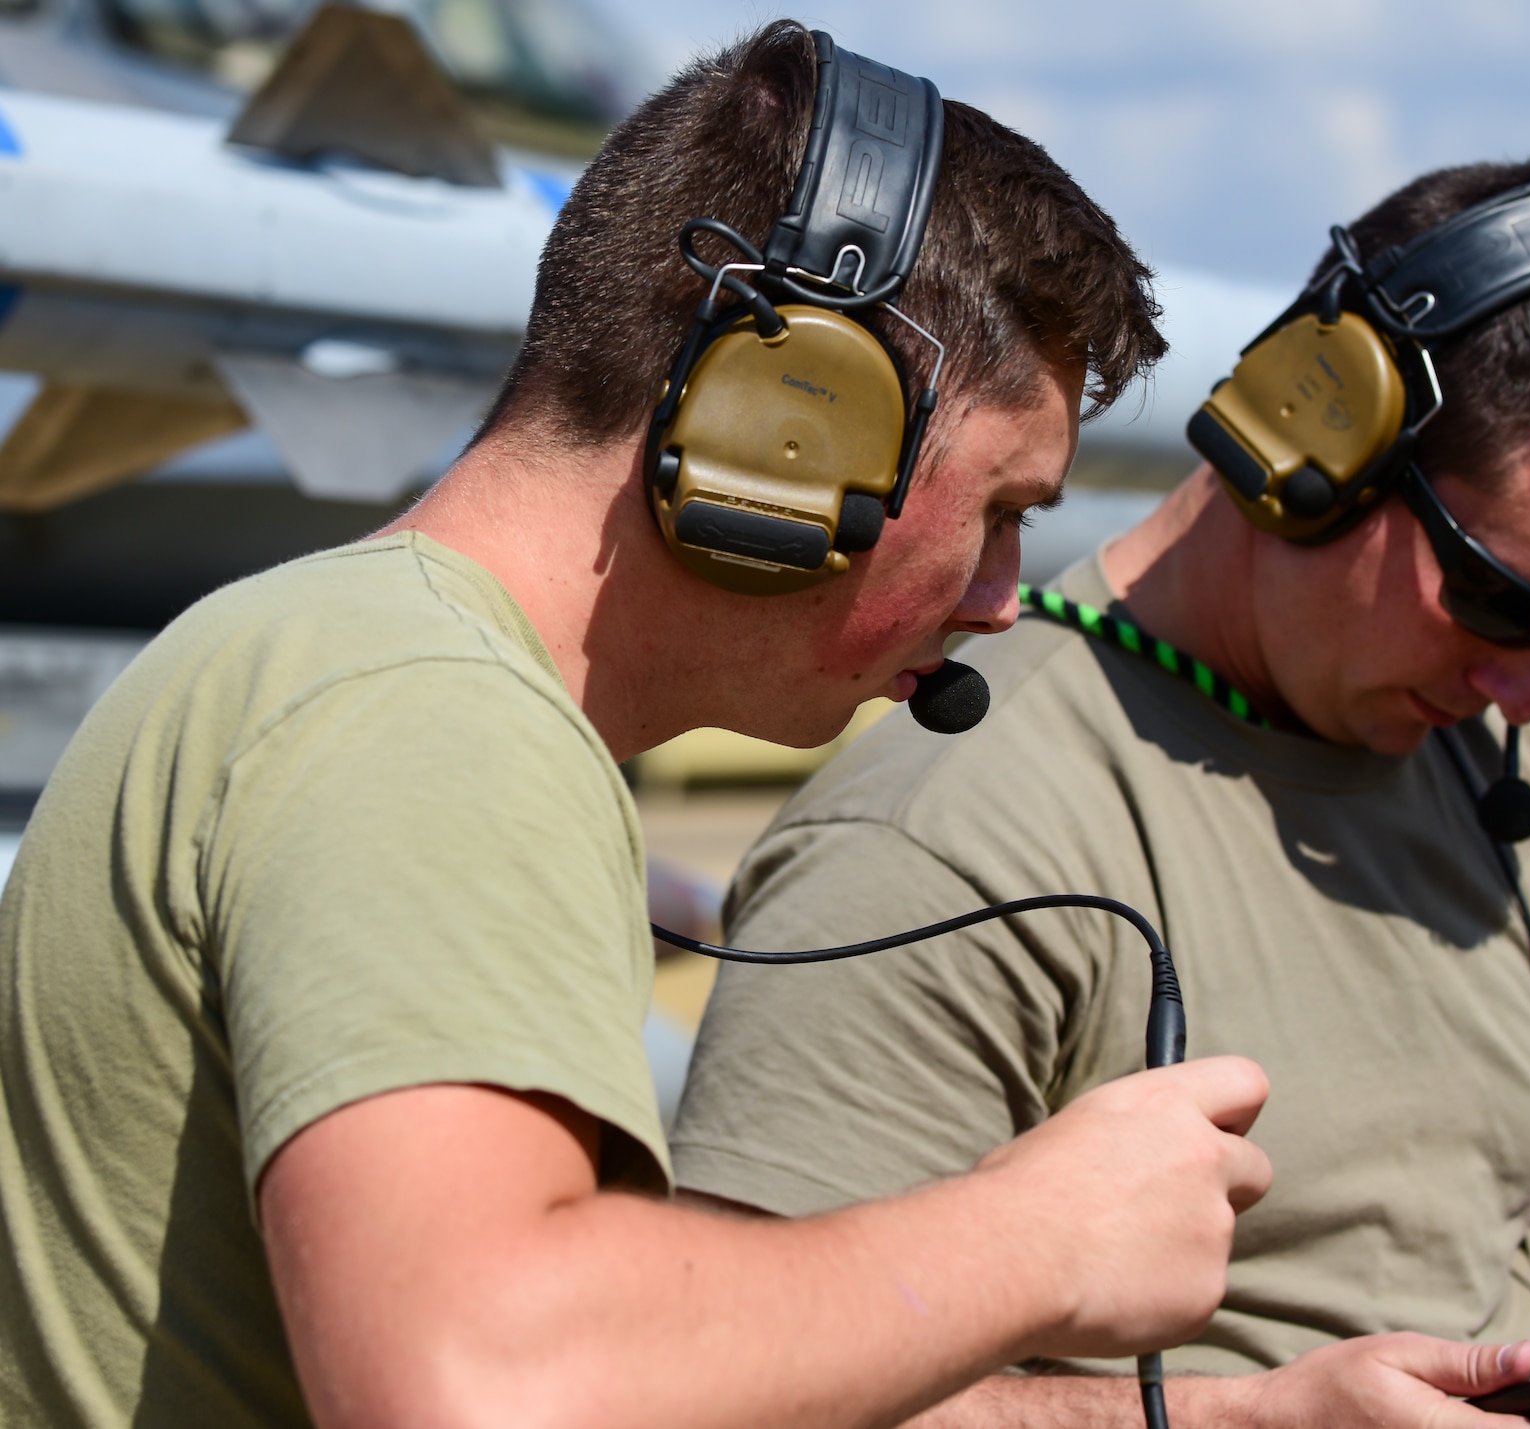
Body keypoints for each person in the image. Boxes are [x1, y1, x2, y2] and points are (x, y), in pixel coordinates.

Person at [0, 23, 1277, 1428]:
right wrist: (1038, 1238)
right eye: (1002, 513)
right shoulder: (430, 724)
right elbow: (489, 1384)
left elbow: (662, 1371)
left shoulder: (365, 662)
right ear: (790, 426)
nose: (999, 600)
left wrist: (1247, 1417)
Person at [671, 159, 1530, 1427]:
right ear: (1312, 434)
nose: (1523, 688)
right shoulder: (941, 831)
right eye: (1500, 600)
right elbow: (737, 1390)